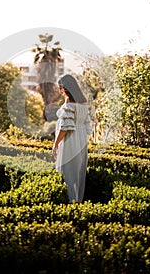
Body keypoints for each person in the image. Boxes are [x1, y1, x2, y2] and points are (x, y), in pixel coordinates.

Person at [52, 74, 92, 203]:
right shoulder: (83, 103)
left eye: (61, 88)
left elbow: (65, 127)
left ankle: (69, 201)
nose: (60, 91)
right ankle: (77, 200)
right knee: (78, 171)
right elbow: (86, 125)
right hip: (81, 140)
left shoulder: (70, 102)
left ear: (66, 88)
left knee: (68, 171)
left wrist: (56, 143)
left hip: (70, 139)